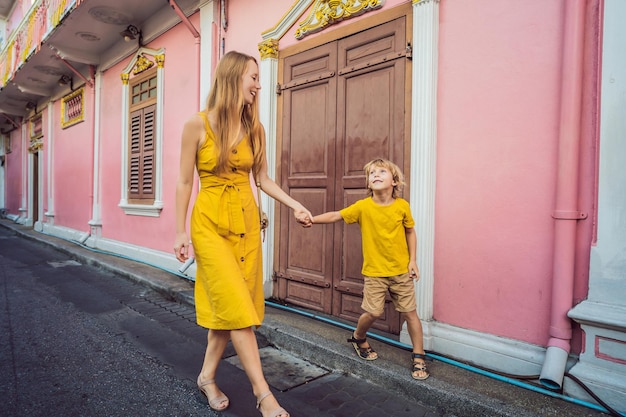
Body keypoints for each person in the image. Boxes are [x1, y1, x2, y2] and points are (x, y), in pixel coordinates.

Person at [174, 50, 312, 417]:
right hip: (209, 226)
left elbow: (262, 179)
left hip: (246, 227)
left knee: (229, 310)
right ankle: (264, 394)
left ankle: (206, 376)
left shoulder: (255, 128)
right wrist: (179, 232)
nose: (258, 84)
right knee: (237, 308)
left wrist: (292, 204)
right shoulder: (197, 125)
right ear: (234, 77)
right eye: (253, 77)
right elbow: (185, 181)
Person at [311, 158, 429, 380]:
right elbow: (337, 215)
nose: (375, 174)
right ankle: (358, 336)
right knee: (374, 311)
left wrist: (413, 260)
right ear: (368, 182)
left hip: (400, 271)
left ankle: (419, 355)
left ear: (394, 181)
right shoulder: (363, 207)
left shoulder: (402, 206)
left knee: (410, 313)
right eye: (372, 173)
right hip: (374, 272)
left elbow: (410, 232)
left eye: (382, 171)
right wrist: (312, 219)